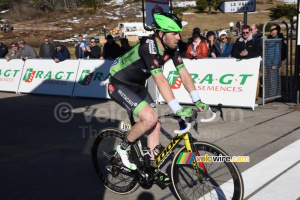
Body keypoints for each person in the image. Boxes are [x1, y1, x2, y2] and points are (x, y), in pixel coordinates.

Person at [104, 13, 209, 185]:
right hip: (119, 84)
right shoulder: (148, 46)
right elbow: (160, 80)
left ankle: (152, 167)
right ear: (161, 34)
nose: (178, 37)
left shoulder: (172, 48)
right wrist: (176, 108)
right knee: (150, 118)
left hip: (137, 85)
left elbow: (184, 73)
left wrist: (197, 99)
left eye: (179, 33)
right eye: (174, 33)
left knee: (156, 124)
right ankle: (122, 149)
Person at [265, 24, 285, 97]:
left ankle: (273, 95)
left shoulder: (277, 40)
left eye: (272, 29)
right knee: (268, 80)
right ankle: (269, 94)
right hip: (268, 62)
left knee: (273, 80)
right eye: (270, 29)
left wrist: (275, 64)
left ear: (276, 31)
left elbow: (277, 53)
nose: (270, 31)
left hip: (273, 63)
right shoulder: (269, 39)